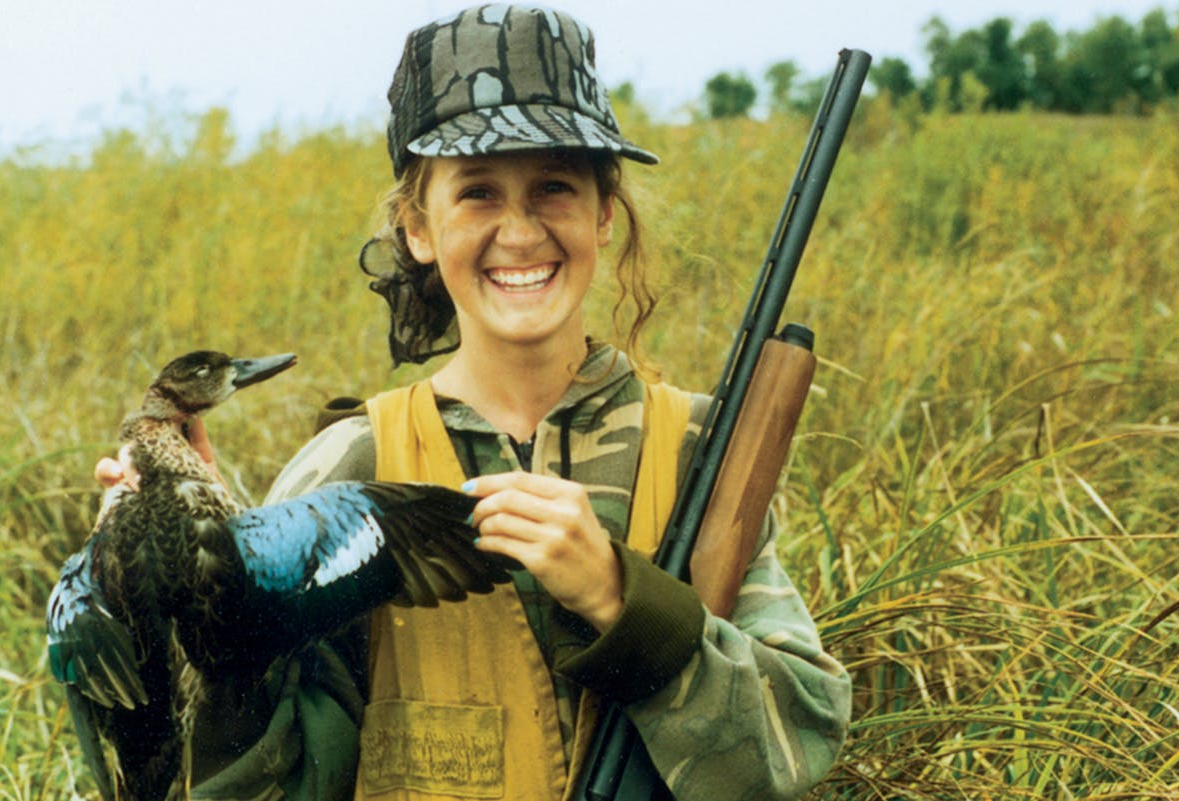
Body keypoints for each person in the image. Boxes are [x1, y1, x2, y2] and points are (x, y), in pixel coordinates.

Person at [96, 5, 849, 800]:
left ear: (604, 211)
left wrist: (621, 600)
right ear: (418, 227)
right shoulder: (353, 464)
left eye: (554, 185)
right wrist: (189, 590)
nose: (519, 233)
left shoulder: (699, 451)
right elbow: (245, 778)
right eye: (479, 192)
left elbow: (796, 742)